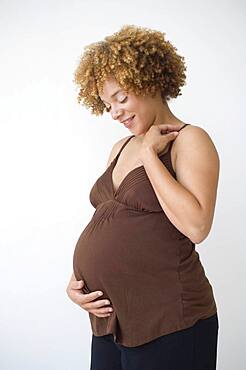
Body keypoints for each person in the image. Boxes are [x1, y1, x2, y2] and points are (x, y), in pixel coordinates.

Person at [66, 25, 220, 370]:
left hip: (169, 322)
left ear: (149, 81)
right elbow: (108, 222)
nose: (115, 112)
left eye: (121, 98)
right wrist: (78, 283)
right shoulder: (119, 148)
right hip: (111, 322)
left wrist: (151, 155)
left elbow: (197, 226)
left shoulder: (190, 140)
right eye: (107, 104)